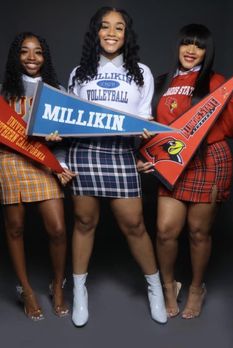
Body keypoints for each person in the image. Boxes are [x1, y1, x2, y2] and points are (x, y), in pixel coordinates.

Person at [64, 6, 167, 326]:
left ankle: (155, 289)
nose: (111, 33)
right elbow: (65, 118)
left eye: (119, 28)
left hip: (120, 152)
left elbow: (145, 119)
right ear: (96, 32)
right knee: (84, 222)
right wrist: (58, 142)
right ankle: (79, 292)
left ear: (127, 35)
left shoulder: (142, 72)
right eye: (105, 26)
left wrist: (146, 142)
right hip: (84, 152)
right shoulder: (79, 71)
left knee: (135, 225)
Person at [138, 23, 233, 319]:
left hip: (210, 158)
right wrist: (146, 157)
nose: (192, 50)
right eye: (187, 44)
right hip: (173, 162)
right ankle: (169, 286)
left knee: (198, 231)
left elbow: (231, 127)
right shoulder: (161, 81)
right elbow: (150, 129)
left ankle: (196, 288)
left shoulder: (217, 81)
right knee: (166, 231)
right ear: (178, 46)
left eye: (199, 46)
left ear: (207, 52)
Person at [0, 32, 73, 321]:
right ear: (15, 56)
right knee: (15, 227)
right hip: (9, 161)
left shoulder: (56, 90)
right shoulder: (4, 91)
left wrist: (59, 158)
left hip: (43, 162)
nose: (32, 58)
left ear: (45, 57)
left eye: (38, 52)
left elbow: (68, 135)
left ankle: (57, 284)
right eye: (24, 51)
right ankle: (27, 290)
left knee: (56, 228)